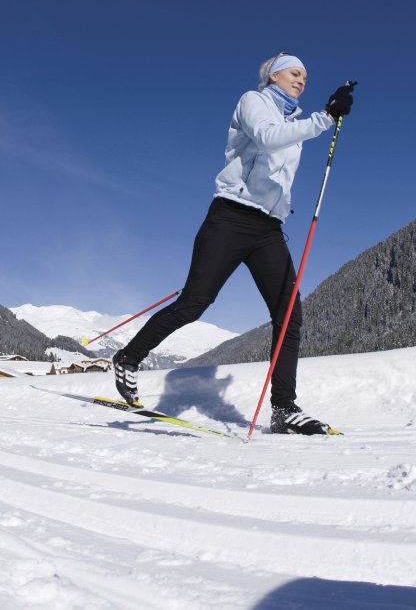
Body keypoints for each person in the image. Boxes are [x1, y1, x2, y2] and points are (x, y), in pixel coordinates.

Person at [111, 53, 354, 435]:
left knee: (289, 313)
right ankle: (129, 358)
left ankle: (284, 408)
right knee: (195, 303)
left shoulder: (296, 122)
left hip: (268, 228)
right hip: (231, 216)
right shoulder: (253, 102)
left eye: (306, 76)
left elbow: (281, 164)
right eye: (295, 72)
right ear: (273, 75)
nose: (302, 80)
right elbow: (267, 139)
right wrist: (324, 119)